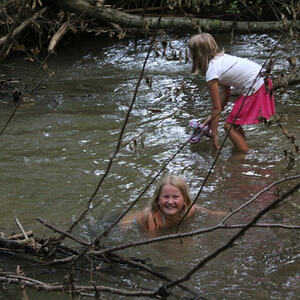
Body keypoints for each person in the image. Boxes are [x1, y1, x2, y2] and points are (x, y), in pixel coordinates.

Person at [188, 33, 276, 152]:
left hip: (256, 86)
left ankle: (243, 156)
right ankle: (241, 149)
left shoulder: (212, 71)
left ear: (196, 54)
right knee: (233, 124)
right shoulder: (222, 60)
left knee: (229, 126)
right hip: (264, 81)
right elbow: (226, 95)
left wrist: (214, 134)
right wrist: (207, 122)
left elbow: (216, 107)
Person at [121, 175, 226, 231]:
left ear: (185, 200)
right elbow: (152, 244)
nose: (170, 202)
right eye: (166, 197)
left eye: (175, 197)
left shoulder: (189, 210)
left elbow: (204, 211)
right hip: (125, 223)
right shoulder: (151, 219)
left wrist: (221, 215)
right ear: (158, 199)